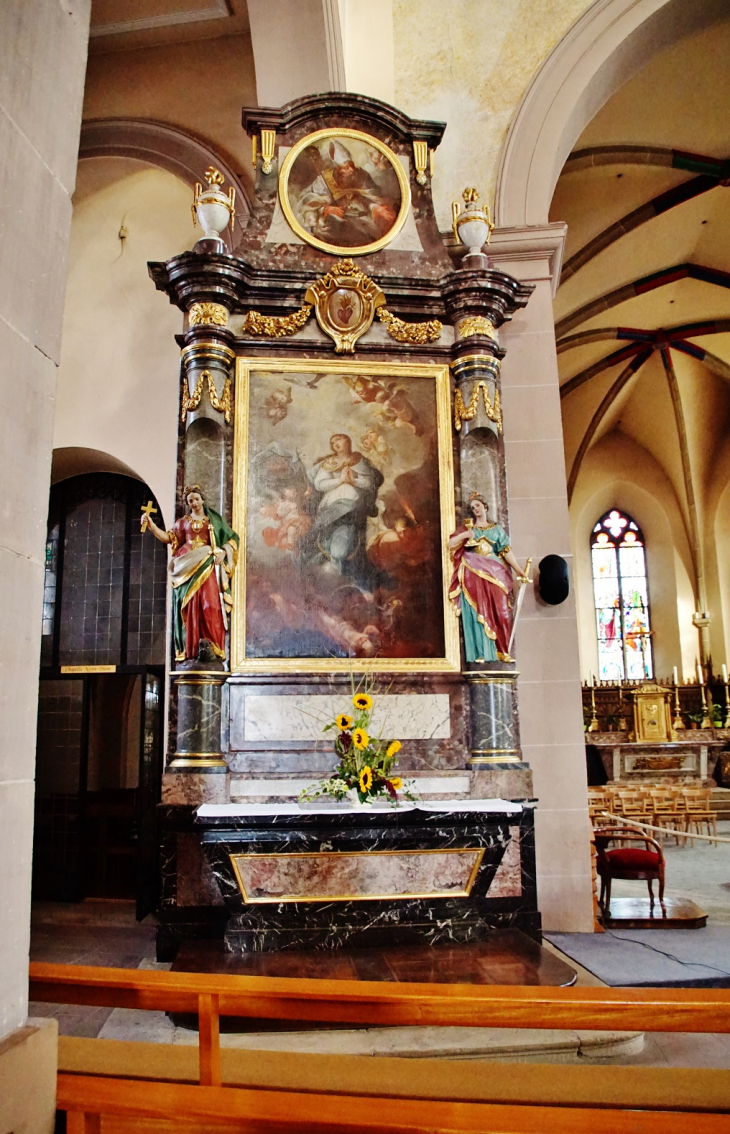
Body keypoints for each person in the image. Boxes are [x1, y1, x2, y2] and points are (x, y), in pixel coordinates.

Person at [142, 485, 239, 663]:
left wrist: (224, 552)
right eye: (189, 501)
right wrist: (152, 525)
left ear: (202, 499)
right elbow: (167, 538)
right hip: (186, 567)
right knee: (190, 606)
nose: (193, 503)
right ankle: (192, 648)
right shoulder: (182, 522)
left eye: (195, 499)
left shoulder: (213, 521)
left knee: (211, 606)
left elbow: (233, 539)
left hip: (207, 564)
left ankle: (213, 646)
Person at [448, 494, 529, 663]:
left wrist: (520, 571)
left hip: (496, 571)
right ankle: (481, 652)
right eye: (472, 507)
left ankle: (503, 650)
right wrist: (466, 535)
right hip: (474, 572)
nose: (475, 509)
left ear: (485, 506)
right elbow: (450, 544)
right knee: (478, 610)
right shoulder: (469, 529)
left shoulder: (496, 529)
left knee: (502, 611)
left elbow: (507, 553)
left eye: (477, 505)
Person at [304, 433, 383, 592]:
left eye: (338, 440)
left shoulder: (359, 462)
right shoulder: (329, 463)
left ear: (347, 441)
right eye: (332, 442)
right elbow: (320, 484)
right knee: (326, 539)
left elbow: (369, 483)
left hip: (353, 507)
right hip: (332, 506)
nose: (335, 444)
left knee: (345, 545)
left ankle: (343, 573)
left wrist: (353, 480)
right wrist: (340, 480)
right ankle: (331, 570)